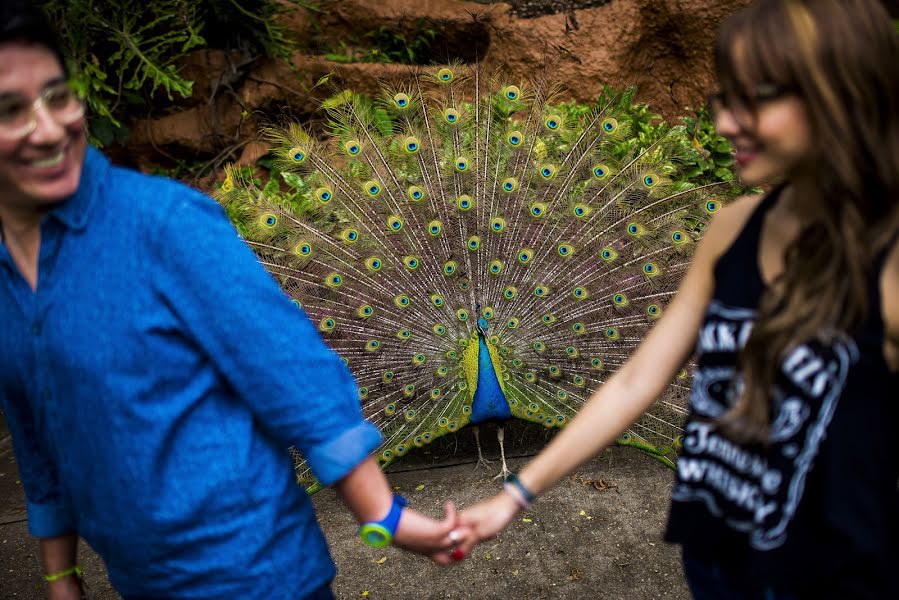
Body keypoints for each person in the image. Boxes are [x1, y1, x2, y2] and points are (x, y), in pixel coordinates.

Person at [0, 2, 469, 599]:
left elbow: (290, 368)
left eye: (58, 96)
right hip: (140, 583)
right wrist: (60, 572)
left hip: (257, 575)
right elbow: (35, 422)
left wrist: (387, 517)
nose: (49, 127)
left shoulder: (163, 224)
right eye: (10, 110)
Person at [456, 0, 899, 597]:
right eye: (725, 99)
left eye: (755, 98)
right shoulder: (733, 230)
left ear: (839, 91)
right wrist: (515, 495)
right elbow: (639, 377)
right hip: (718, 557)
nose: (724, 124)